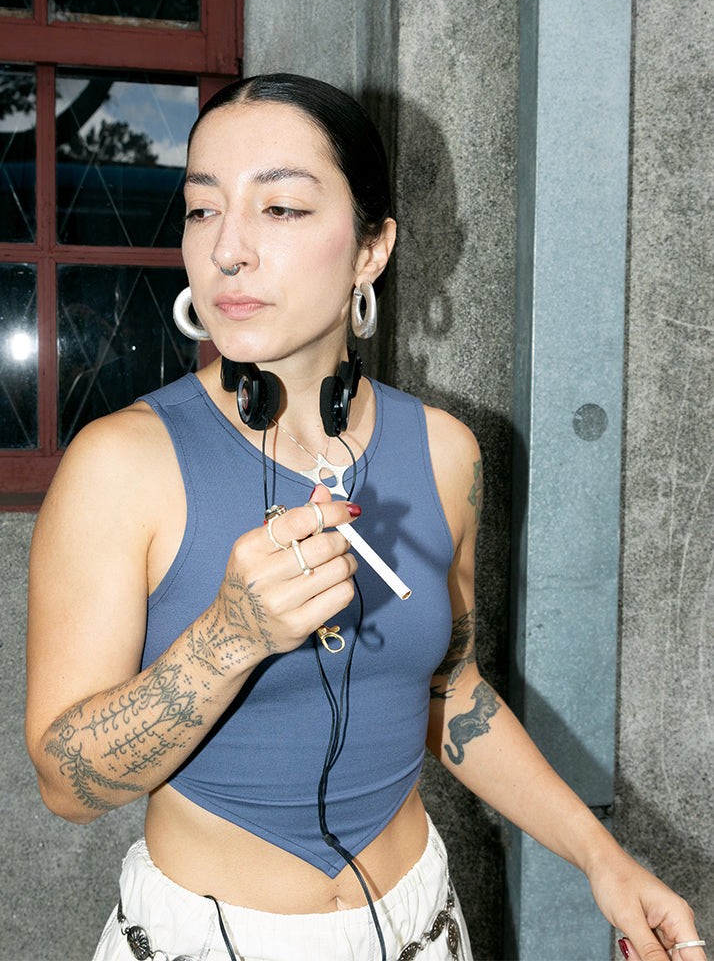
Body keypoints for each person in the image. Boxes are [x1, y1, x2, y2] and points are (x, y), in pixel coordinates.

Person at [25, 74, 705, 961]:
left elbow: (447, 689)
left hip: (424, 923)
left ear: (371, 249)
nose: (228, 249)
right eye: (201, 210)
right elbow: (65, 782)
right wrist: (228, 638)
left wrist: (602, 858)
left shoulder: (450, 452)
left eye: (281, 209)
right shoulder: (119, 464)